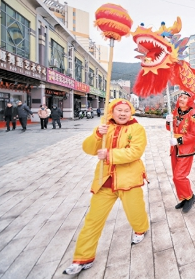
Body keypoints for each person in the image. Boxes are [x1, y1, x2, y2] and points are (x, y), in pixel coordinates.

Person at [62, 99, 149, 275]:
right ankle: (83, 257)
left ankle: (141, 229)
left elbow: (135, 151)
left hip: (129, 179)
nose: (123, 113)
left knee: (135, 211)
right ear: (111, 112)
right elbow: (88, 149)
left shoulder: (137, 128)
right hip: (105, 181)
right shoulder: (104, 127)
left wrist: (110, 154)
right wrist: (97, 135)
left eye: (126, 110)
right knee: (93, 220)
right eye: (119, 110)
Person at [165, 92, 195, 213]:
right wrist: (168, 121)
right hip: (175, 148)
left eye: (185, 98)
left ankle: (190, 197)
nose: (181, 99)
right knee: (175, 177)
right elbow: (169, 129)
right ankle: (184, 198)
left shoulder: (194, 114)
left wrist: (179, 140)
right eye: (180, 97)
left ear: (190, 101)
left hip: (186, 149)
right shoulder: (175, 111)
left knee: (179, 176)